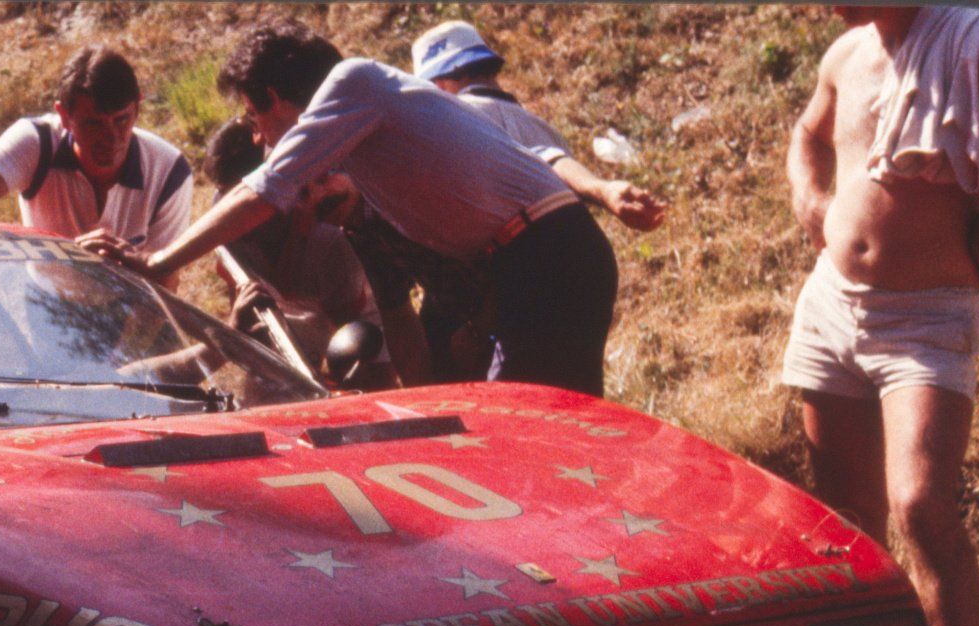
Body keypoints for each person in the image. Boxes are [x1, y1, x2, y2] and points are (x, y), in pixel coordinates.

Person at [85, 21, 618, 398]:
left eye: (253, 116)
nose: (258, 137)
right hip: (531, 261)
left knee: (529, 426)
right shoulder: (366, 178)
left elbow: (263, 189)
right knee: (538, 428)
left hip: (544, 252)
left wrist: (158, 261)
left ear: (275, 97)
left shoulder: (356, 82)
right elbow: (398, 320)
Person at [784, 5, 979, 626]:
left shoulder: (976, 41)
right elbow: (809, 133)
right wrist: (811, 196)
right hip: (831, 308)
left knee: (921, 506)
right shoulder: (846, 53)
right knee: (849, 524)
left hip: (926, 316)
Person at [0, 47, 193, 263]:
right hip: (49, 299)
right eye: (94, 123)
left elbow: (165, 283)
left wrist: (119, 265)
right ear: (64, 117)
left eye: (121, 120)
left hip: (129, 304)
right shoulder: (37, 142)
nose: (111, 138)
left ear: (138, 109)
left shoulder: (169, 171)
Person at [411, 22, 667, 233]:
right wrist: (603, 189)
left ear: (439, 86)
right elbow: (552, 159)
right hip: (585, 253)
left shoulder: (456, 121)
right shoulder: (544, 129)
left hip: (524, 259)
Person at [203, 118, 390, 388]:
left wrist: (326, 380)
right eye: (228, 196)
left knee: (363, 384)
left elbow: (348, 335)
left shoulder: (329, 242)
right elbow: (236, 284)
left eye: (246, 201)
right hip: (289, 318)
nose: (235, 211)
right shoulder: (224, 211)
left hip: (357, 325)